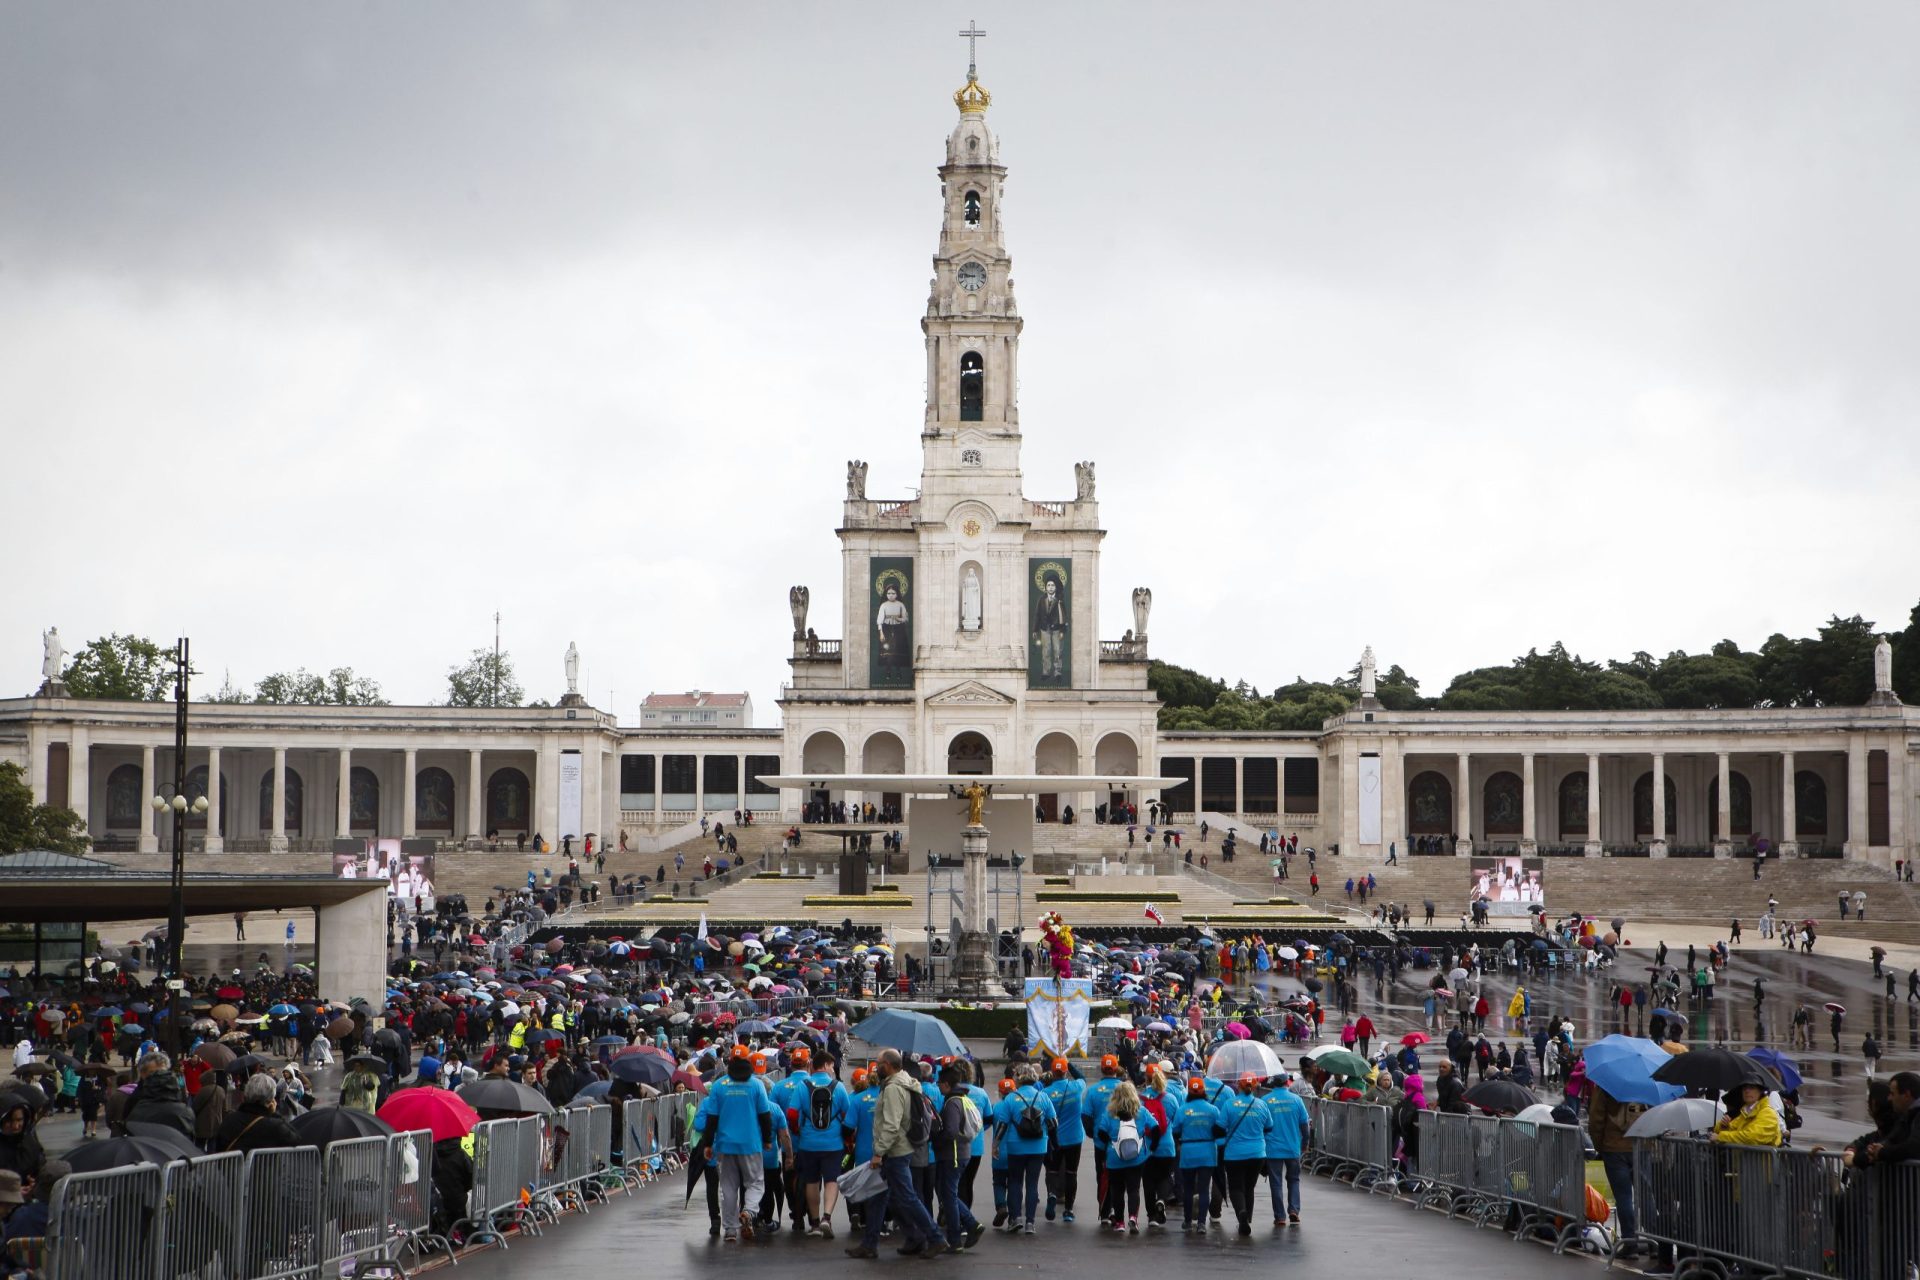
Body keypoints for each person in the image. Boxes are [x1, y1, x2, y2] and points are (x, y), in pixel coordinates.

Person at [846, 1048, 947, 1259]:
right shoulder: (904, 1082)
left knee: (906, 1198)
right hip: (900, 1149)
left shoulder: (893, 1088)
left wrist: (878, 1153)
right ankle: (876, 1242)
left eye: (879, 1062)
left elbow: (891, 1125)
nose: (875, 1065)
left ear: (888, 1065)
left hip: (894, 1151)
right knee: (882, 1197)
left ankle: (934, 1238)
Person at [696, 1045, 775, 1244]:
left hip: (725, 1145)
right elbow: (765, 1116)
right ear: (748, 1061)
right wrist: (767, 1139)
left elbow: (711, 1118)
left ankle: (730, 1229)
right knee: (755, 1183)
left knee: (729, 1188)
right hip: (750, 1144)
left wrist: (707, 1144)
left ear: (730, 1061)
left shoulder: (720, 1086)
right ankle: (748, 1211)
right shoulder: (756, 1086)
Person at [993, 1063, 1055, 1236]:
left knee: (1015, 1182)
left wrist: (995, 1145)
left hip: (1015, 1146)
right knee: (1032, 1184)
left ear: (1017, 1078)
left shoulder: (1011, 1099)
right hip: (1038, 1146)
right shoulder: (1043, 1097)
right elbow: (1053, 1123)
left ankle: (1015, 1219)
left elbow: (1002, 1125)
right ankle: (1030, 1222)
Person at [1093, 1079, 1159, 1234]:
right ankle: (1133, 1217)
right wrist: (1151, 1148)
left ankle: (1120, 1222)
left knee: (1117, 1190)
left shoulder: (1109, 1114)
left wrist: (1109, 1145)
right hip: (1137, 1158)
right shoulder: (1141, 1111)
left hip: (1114, 1157)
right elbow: (1155, 1129)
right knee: (1134, 1189)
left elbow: (1101, 1134)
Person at [933, 1064, 986, 1251]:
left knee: (949, 1197)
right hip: (962, 1152)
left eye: (939, 1083)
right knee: (950, 1195)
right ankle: (972, 1225)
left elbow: (951, 1131)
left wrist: (936, 1139)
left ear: (946, 1084)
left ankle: (955, 1240)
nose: (937, 1086)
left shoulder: (952, 1102)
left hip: (952, 1155)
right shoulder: (962, 1098)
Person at [1215, 1073, 1274, 1237]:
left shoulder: (1229, 1104)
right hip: (1257, 1153)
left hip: (1234, 1153)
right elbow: (1269, 1127)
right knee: (1249, 1187)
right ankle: (1247, 1218)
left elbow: (1220, 1127)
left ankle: (1241, 1213)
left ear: (1238, 1085)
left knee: (1235, 1187)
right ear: (1255, 1086)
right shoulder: (1261, 1105)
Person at [1041, 1057, 1086, 1222]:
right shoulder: (1076, 1087)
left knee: (1052, 1171)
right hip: (1074, 1138)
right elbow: (1082, 1077)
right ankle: (1068, 1210)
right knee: (1071, 1173)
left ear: (1052, 1073)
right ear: (1066, 1071)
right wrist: (1070, 1064)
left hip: (1054, 1139)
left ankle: (1052, 1194)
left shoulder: (1045, 1093)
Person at [1262, 1074, 1310, 1226]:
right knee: (1294, 1179)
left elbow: (1261, 1126)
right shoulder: (1296, 1100)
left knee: (1276, 1183)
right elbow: (1305, 1125)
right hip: (1292, 1146)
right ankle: (1294, 1210)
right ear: (1286, 1083)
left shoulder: (1265, 1101)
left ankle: (1280, 1216)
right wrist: (1305, 1143)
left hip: (1272, 1148)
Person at [214, 1074, 303, 1154]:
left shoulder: (230, 1119)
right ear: (270, 1099)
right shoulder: (275, 1126)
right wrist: (273, 1114)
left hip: (231, 1171)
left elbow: (219, 1147)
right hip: (265, 1171)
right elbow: (296, 1139)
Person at [1713, 1081, 1784, 1148]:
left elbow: (1752, 1137)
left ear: (1760, 1091)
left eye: (1752, 1088)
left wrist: (1721, 1137)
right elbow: (1730, 1129)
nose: (1747, 1091)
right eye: (1744, 1088)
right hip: (1743, 1160)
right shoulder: (1745, 1112)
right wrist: (1723, 1126)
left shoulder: (1768, 1113)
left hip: (1760, 1161)